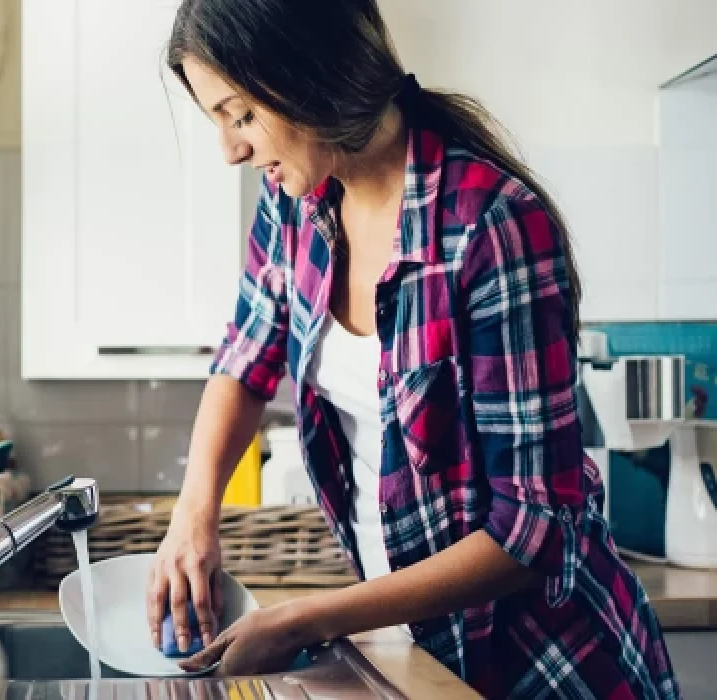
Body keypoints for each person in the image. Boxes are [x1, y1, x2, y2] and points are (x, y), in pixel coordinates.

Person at [146, 1, 679, 697]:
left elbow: (534, 528)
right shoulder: (295, 202)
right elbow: (246, 361)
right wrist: (194, 517)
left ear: (309, 74)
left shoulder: (492, 226)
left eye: (241, 114)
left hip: (548, 667)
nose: (231, 150)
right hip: (418, 653)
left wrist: (312, 619)